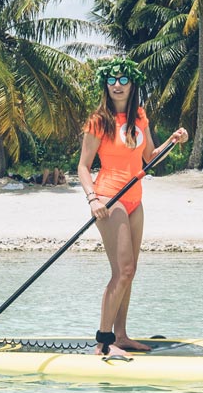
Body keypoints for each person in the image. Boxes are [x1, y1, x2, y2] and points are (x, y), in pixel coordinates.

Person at [77, 59, 188, 359]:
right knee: (122, 270)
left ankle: (121, 336)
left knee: (131, 271)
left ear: (132, 83)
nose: (117, 84)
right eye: (112, 80)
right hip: (109, 199)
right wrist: (92, 199)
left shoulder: (139, 116)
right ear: (106, 85)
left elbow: (150, 158)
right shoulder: (98, 121)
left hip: (135, 199)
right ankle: (103, 342)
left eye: (123, 79)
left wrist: (173, 141)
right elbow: (83, 167)